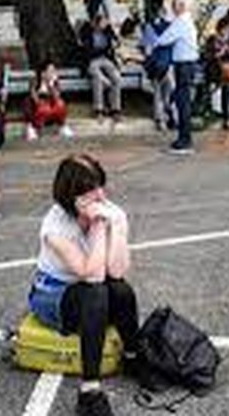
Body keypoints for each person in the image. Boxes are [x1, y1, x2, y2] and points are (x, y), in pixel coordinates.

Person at [27, 154, 138, 416]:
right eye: (90, 190)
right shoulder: (55, 225)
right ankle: (90, 390)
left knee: (121, 290)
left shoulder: (110, 210)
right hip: (52, 292)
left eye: (100, 186)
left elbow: (117, 271)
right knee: (96, 293)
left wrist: (119, 226)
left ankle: (134, 358)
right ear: (71, 196)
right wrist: (99, 227)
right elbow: (93, 276)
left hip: (87, 289)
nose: (99, 195)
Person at [154, 0, 200, 155]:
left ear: (181, 6)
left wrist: (154, 40)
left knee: (183, 103)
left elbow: (164, 40)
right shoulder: (186, 20)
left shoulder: (181, 22)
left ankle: (184, 141)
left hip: (184, 65)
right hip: (188, 64)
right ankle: (183, 138)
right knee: (182, 101)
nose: (173, 9)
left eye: (174, 6)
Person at [81, 14, 122, 123]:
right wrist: (101, 51)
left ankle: (115, 109)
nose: (105, 24)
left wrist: (113, 36)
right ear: (97, 23)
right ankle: (99, 110)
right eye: (103, 22)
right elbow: (87, 51)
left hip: (105, 59)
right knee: (97, 78)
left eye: (106, 22)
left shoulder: (108, 32)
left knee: (116, 78)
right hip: (92, 60)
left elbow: (115, 43)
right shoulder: (88, 33)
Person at [24, 59, 73, 141]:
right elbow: (34, 99)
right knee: (41, 108)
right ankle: (32, 128)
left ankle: (62, 126)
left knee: (61, 104)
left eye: (53, 71)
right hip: (38, 108)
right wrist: (41, 92)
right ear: (43, 73)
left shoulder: (55, 82)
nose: (52, 73)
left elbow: (57, 97)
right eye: (50, 71)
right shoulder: (35, 82)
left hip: (51, 106)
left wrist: (51, 86)